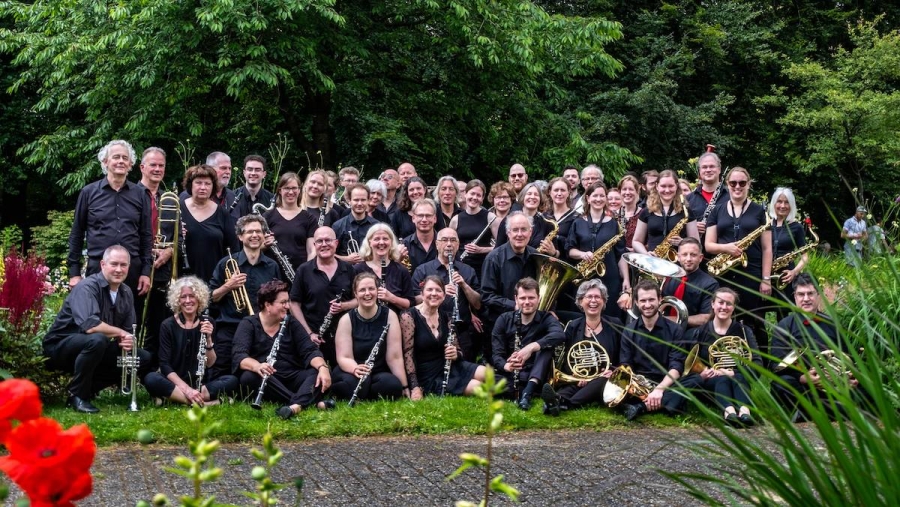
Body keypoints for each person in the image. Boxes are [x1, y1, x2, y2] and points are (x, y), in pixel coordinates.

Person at [43, 245, 152, 413]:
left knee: (141, 357)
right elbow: (90, 326)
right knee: (97, 339)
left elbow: (128, 330)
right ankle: (78, 396)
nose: (118, 269)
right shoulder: (87, 287)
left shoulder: (126, 292)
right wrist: (121, 333)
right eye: (113, 264)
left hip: (92, 348)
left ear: (129, 267)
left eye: (123, 265)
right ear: (102, 265)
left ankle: (88, 388)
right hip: (59, 348)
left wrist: (128, 340)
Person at [67, 140, 152, 303]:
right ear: (105, 162)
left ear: (130, 164)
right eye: (116, 157)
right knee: (96, 321)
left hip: (131, 270)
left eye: (125, 158)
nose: (121, 161)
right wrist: (74, 273)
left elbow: (146, 236)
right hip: (98, 268)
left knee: (131, 322)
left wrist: (146, 272)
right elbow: (77, 234)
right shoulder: (88, 192)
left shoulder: (140, 195)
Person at [233, 281, 334, 419]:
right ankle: (305, 403)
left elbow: (309, 350)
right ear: (268, 305)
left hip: (292, 376)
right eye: (283, 302)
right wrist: (257, 366)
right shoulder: (248, 324)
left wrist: (323, 367)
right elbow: (239, 355)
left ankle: (293, 406)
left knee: (317, 372)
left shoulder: (291, 322)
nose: (287, 306)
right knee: (248, 377)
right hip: (268, 378)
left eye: (288, 301)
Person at [770, 273, 858, 421]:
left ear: (818, 295)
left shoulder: (833, 324)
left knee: (866, 387)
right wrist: (803, 377)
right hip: (801, 385)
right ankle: (833, 411)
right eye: (801, 294)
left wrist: (849, 378)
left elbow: (847, 357)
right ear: (795, 297)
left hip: (831, 384)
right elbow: (776, 363)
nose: (806, 299)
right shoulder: (784, 326)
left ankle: (808, 411)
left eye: (810, 293)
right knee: (781, 384)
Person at [705, 166, 773, 352]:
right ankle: (726, 358)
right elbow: (708, 245)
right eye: (733, 183)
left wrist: (766, 279)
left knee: (755, 320)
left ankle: (762, 363)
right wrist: (726, 248)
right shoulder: (717, 210)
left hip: (751, 273)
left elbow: (767, 249)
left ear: (748, 184)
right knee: (724, 318)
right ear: (727, 184)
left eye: (742, 183)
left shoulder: (760, 211)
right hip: (724, 274)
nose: (737, 186)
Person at [143, 277, 239, 406]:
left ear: (199, 298)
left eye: (192, 296)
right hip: (175, 383)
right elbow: (165, 365)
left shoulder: (208, 322)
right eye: (183, 297)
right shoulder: (167, 325)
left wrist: (209, 339)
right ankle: (204, 404)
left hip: (200, 384)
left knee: (232, 380)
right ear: (177, 300)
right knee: (151, 378)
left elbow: (210, 364)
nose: (188, 301)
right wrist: (187, 390)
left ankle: (175, 399)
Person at [208, 214, 280, 380]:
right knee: (218, 375)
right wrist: (228, 286)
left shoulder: (272, 266)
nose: (255, 235)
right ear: (240, 236)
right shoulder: (226, 263)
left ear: (264, 235)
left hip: (259, 330)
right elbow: (210, 298)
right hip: (230, 326)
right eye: (249, 232)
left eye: (258, 231)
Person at [540, 279, 622, 416]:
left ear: (604, 301)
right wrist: (575, 375)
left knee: (601, 380)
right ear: (580, 302)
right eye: (589, 297)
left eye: (597, 297)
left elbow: (622, 354)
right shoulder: (573, 326)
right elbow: (567, 357)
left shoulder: (615, 324)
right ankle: (557, 399)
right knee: (570, 388)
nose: (593, 301)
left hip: (605, 377)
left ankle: (567, 404)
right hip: (581, 377)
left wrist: (612, 370)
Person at [684, 287, 760, 426]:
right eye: (720, 302)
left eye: (728, 304)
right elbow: (687, 361)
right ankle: (729, 411)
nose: (724, 307)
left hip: (738, 380)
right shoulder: (700, 332)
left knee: (739, 377)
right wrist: (704, 372)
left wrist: (731, 371)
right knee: (723, 379)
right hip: (711, 383)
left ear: (734, 307)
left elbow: (757, 364)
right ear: (713, 304)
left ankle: (744, 412)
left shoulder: (743, 331)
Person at [402, 276, 487, 398]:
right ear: (422, 293)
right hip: (429, 375)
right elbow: (407, 354)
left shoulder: (446, 317)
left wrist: (455, 353)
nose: (434, 294)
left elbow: (458, 350)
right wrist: (415, 386)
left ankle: (518, 391)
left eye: (438, 290)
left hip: (452, 366)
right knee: (480, 388)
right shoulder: (408, 316)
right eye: (430, 290)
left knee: (488, 375)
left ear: (443, 295)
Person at [331, 273, 409, 401]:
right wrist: (355, 368)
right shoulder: (346, 320)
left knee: (393, 385)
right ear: (356, 294)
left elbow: (394, 357)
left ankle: (361, 395)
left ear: (377, 291)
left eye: (371, 289)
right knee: (361, 382)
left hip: (377, 372)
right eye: (362, 290)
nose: (367, 293)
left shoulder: (390, 316)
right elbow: (343, 357)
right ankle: (362, 392)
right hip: (351, 370)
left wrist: (404, 386)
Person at [617, 280, 688, 421]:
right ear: (636, 302)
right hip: (640, 384)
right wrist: (638, 389)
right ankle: (663, 403)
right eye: (643, 300)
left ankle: (641, 407)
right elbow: (626, 365)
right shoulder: (629, 331)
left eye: (651, 300)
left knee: (694, 379)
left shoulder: (675, 330)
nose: (647, 305)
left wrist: (660, 389)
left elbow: (677, 366)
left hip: (666, 382)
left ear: (660, 300)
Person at [491, 278, 566, 410]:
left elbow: (560, 335)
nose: (527, 302)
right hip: (512, 373)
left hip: (537, 373)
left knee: (545, 349)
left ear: (539, 298)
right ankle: (526, 391)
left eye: (531, 298)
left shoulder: (546, 318)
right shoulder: (504, 320)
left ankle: (527, 393)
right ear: (516, 299)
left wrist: (531, 347)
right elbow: (497, 354)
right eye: (523, 298)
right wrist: (507, 366)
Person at [412, 228, 483, 361]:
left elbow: (478, 304)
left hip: (462, 332)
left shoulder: (468, 271)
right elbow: (414, 301)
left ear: (458, 245)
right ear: (437, 244)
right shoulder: (423, 270)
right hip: (431, 332)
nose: (449, 244)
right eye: (444, 240)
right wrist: (439, 292)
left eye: (453, 240)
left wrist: (463, 285)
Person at [289, 226, 356, 366]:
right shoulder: (304, 270)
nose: (324, 244)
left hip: (345, 335)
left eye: (328, 240)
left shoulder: (349, 269)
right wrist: (309, 334)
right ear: (314, 245)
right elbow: (294, 304)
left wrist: (344, 306)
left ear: (336, 243)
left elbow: (359, 300)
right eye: (319, 241)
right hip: (315, 335)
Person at [566, 182, 630, 319]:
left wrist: (626, 279)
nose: (598, 199)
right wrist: (582, 254)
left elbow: (621, 255)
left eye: (602, 196)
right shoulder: (577, 222)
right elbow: (570, 250)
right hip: (584, 276)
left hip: (609, 277)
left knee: (610, 315)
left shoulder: (614, 224)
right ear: (588, 198)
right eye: (595, 195)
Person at [136, 147, 175, 368]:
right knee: (135, 323)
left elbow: (178, 235)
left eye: (161, 165)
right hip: (139, 268)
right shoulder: (131, 194)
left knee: (157, 325)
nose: (157, 169)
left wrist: (169, 250)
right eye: (153, 164)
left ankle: (150, 375)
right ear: (142, 167)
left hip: (162, 270)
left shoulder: (168, 199)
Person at [180, 164, 240, 282]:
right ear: (190, 185)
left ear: (213, 187)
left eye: (207, 184)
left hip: (215, 280)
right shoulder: (178, 210)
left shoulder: (223, 213)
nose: (203, 187)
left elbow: (234, 249)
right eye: (198, 182)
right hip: (183, 279)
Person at [480, 212, 538, 320]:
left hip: (532, 320)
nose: (519, 234)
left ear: (530, 232)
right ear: (508, 233)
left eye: (524, 229)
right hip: (503, 321)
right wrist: (515, 305)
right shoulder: (493, 258)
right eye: (515, 230)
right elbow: (487, 296)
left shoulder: (537, 257)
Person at [633, 170, 700, 259]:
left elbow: (697, 243)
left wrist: (683, 242)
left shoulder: (686, 212)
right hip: (653, 262)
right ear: (657, 186)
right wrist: (646, 254)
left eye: (671, 186)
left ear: (676, 186)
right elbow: (636, 241)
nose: (667, 190)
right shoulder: (646, 212)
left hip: (679, 263)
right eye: (663, 186)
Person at [353, 224, 416, 314]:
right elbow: (352, 299)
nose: (381, 242)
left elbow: (410, 303)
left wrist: (391, 298)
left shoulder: (401, 271)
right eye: (377, 239)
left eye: (385, 239)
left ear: (391, 242)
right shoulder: (357, 270)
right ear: (369, 242)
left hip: (393, 321)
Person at [262, 172, 315, 276]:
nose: (291, 192)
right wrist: (265, 245)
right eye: (286, 188)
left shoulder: (309, 218)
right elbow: (256, 247)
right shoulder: (267, 216)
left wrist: (306, 271)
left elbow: (312, 250)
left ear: (299, 190)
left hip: (299, 272)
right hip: (272, 272)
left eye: (294, 188)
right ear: (280, 190)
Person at [661, 238, 718, 328]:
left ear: (700, 258)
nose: (688, 259)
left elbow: (705, 318)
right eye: (684, 254)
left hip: (691, 334)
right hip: (664, 331)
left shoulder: (710, 284)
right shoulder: (669, 277)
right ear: (678, 257)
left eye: (693, 255)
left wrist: (666, 320)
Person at [769, 188, 808, 311]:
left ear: (791, 205)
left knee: (783, 314)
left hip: (785, 277)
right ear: (774, 204)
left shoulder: (797, 227)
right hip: (766, 275)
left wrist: (794, 272)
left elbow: (805, 257)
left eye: (786, 202)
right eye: (779, 202)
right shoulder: (766, 225)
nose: (783, 205)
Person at [449, 180, 498, 277]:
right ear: (466, 194)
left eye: (478, 195)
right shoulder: (456, 219)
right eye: (472, 194)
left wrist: (481, 250)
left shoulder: (490, 217)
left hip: (484, 268)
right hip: (461, 268)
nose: (474, 198)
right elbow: (449, 244)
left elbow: (501, 247)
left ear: (482, 198)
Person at [495, 182, 555, 254]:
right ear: (523, 197)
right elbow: (498, 249)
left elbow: (556, 252)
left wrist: (554, 252)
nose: (532, 197)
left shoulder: (547, 223)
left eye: (536, 195)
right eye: (529, 194)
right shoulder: (508, 220)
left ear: (540, 199)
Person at [332, 183, 379, 264]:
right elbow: (329, 253)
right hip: (345, 272)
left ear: (368, 201)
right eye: (356, 200)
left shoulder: (376, 226)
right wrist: (346, 259)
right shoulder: (338, 226)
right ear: (349, 201)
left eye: (363, 200)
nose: (359, 203)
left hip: (370, 272)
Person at [687, 150, 727, 240]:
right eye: (704, 167)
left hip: (724, 250)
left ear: (719, 169)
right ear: (700, 171)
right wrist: (691, 227)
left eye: (712, 166)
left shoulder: (731, 198)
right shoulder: (688, 199)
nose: (708, 170)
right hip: (696, 251)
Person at [544, 177, 578, 264]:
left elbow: (577, 246)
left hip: (566, 265)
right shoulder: (544, 217)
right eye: (556, 190)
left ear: (568, 192)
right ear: (549, 192)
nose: (559, 193)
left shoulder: (576, 218)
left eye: (563, 190)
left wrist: (555, 252)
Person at [230, 155, 275, 219]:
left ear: (264, 174)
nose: (253, 173)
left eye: (257, 170)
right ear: (244, 173)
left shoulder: (272, 200)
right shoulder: (231, 197)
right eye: (250, 169)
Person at [400, 199, 439, 272]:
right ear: (413, 218)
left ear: (435, 219)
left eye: (428, 215)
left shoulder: (445, 243)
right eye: (420, 215)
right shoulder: (404, 246)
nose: (424, 219)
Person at [617, 175, 643, 251]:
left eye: (631, 189)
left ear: (637, 191)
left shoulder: (644, 214)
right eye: (624, 189)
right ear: (619, 192)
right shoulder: (612, 215)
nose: (627, 192)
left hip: (638, 258)